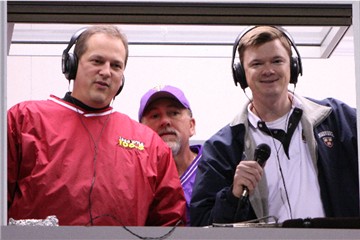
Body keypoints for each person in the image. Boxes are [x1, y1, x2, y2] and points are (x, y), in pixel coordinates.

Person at [7, 25, 186, 226]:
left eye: (116, 66)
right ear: (72, 65)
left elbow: (170, 223)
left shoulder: (150, 144)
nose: (106, 72)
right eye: (97, 61)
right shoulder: (24, 120)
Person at [190, 25, 359, 226]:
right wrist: (234, 196)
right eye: (257, 64)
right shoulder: (222, 147)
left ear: (293, 67)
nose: (268, 70)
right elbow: (202, 223)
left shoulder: (339, 119)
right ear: (241, 75)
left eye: (277, 61)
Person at [138, 85, 202, 225]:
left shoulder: (216, 168)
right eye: (155, 116)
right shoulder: (134, 177)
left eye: (173, 113)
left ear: (191, 126)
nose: (165, 121)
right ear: (140, 132)